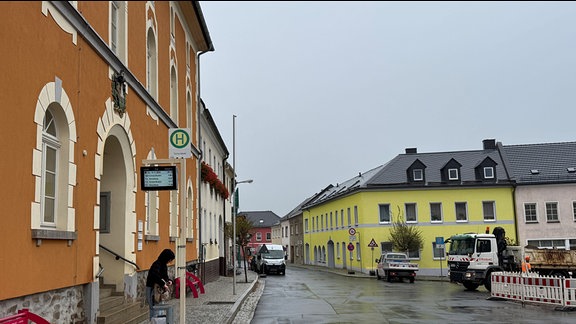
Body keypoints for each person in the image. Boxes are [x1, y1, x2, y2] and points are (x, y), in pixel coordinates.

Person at [146, 249, 175, 319]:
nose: (170, 261)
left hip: (160, 290)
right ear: (166, 258)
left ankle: (160, 320)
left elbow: (165, 276)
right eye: (170, 259)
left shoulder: (164, 265)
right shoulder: (157, 264)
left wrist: (168, 281)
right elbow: (154, 275)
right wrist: (163, 283)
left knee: (160, 307)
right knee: (154, 307)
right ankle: (155, 321)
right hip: (152, 288)